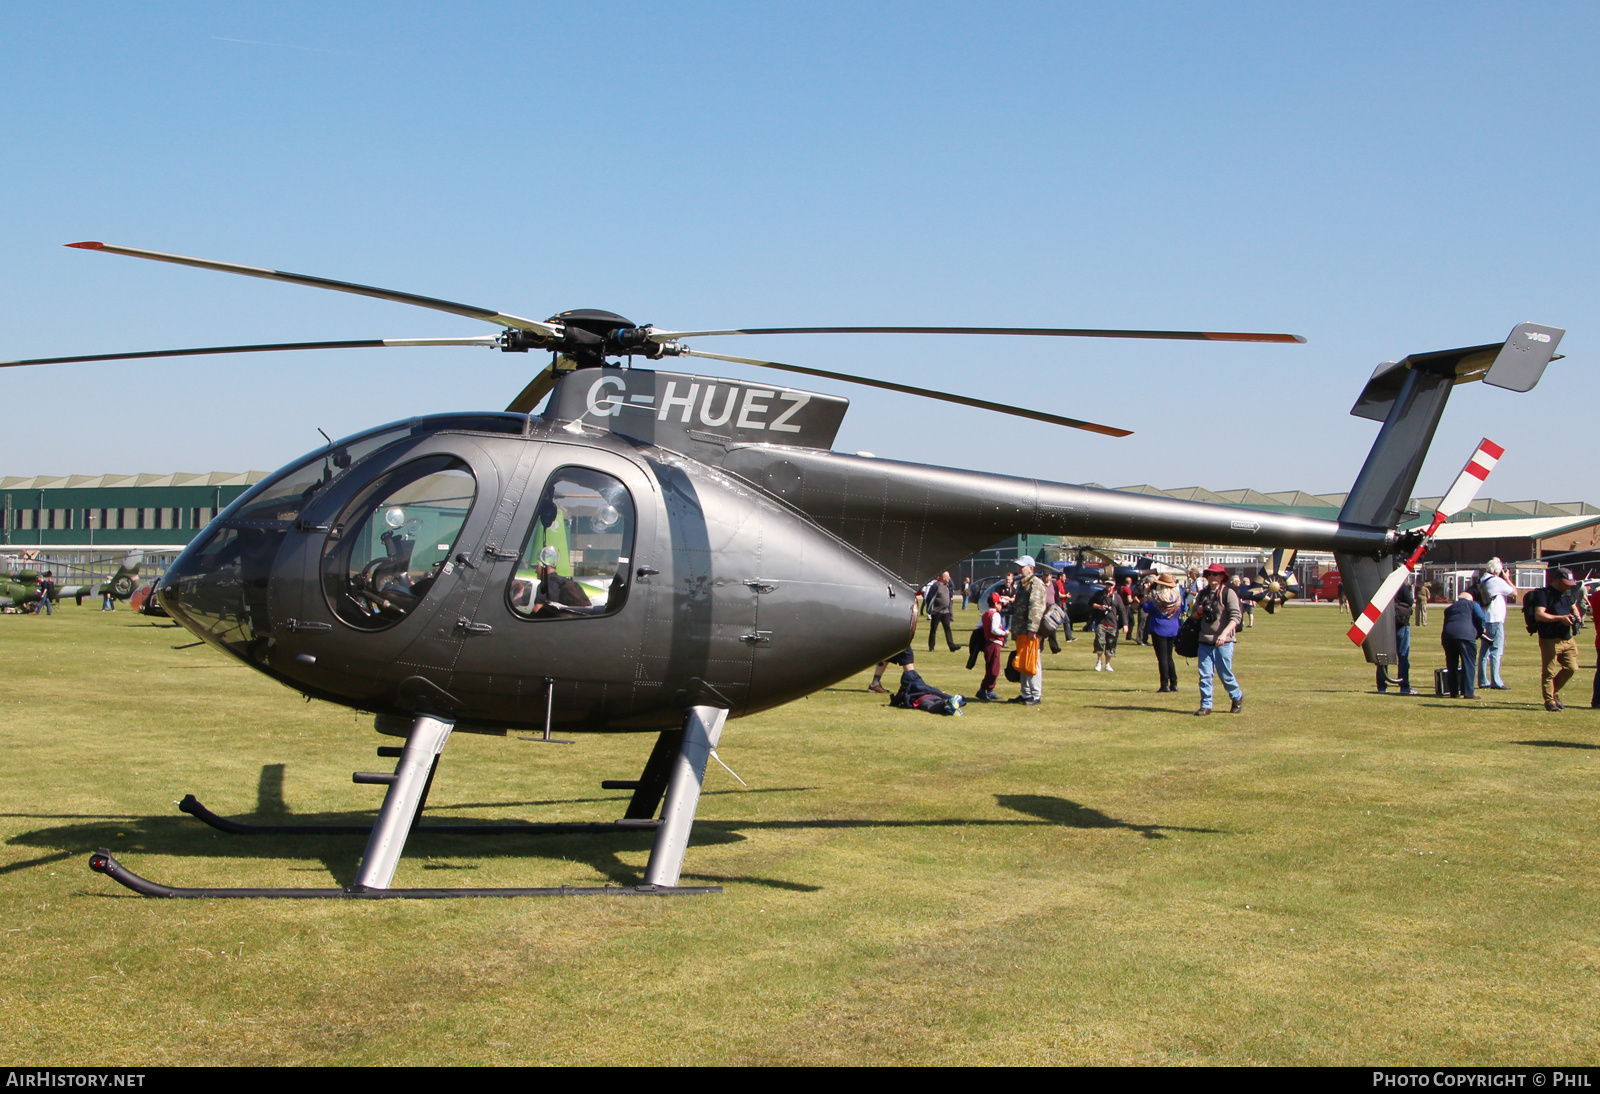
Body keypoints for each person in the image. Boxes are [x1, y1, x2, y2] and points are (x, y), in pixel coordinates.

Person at [1526, 567, 1583, 712]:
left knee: (1571, 668)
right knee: (1549, 672)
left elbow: (1573, 607)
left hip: (1566, 638)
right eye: (1566, 583)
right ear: (1556, 581)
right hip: (1549, 638)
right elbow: (1539, 615)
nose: (1569, 586)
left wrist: (1576, 616)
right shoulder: (1543, 594)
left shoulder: (1567, 594)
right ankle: (1550, 701)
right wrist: (1560, 618)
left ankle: (1552, 691)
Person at [1191, 563, 1243, 715]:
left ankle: (1237, 697)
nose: (1214, 577)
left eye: (1217, 574)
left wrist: (1224, 634)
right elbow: (1193, 616)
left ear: (1222, 577)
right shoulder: (1202, 594)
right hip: (1204, 640)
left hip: (1224, 642)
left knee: (1225, 674)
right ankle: (1206, 705)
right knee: (1205, 675)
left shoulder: (1228, 593)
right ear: (1207, 576)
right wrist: (1199, 611)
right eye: (1211, 574)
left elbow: (1236, 617)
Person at [1007, 555, 1047, 705]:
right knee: (1023, 661)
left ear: (1031, 568)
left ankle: (1035, 695)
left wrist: (1032, 629)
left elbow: (1036, 608)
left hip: (1030, 631)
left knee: (1033, 662)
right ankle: (1026, 694)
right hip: (1021, 631)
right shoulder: (1022, 584)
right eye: (1018, 566)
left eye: (1022, 566)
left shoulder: (1035, 584)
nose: (1019, 568)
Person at [1475, 558, 1516, 691]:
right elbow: (1514, 592)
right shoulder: (1497, 581)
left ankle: (1482, 680)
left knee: (1484, 652)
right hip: (1495, 619)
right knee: (1496, 651)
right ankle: (1496, 681)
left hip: (1483, 619)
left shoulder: (1482, 580)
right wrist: (1507, 578)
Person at [1440, 591, 1487, 698]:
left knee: (1452, 665)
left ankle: (1453, 691)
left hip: (1448, 636)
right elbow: (1481, 618)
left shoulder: (1449, 608)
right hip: (1466, 636)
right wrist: (1480, 631)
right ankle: (1468, 692)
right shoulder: (1473, 604)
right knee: (1468, 664)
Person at [1142, 573, 1183, 692]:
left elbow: (1146, 607)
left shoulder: (1157, 599)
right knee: (1169, 657)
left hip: (1159, 628)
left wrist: (1146, 594)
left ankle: (1164, 684)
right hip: (1173, 628)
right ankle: (1174, 683)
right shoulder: (1177, 598)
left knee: (1162, 658)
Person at [1376, 577, 1417, 696]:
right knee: (1403, 655)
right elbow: (1409, 601)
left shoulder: (1381, 584)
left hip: (1384, 623)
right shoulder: (1400, 584)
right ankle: (1404, 686)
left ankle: (1382, 686)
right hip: (1401, 623)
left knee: (1383, 656)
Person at [975, 591, 1009, 701]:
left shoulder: (986, 614)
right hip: (994, 643)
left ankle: (988, 690)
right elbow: (994, 629)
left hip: (988, 642)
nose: (1001, 605)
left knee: (990, 667)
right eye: (1000, 603)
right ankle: (986, 689)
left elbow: (979, 627)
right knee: (994, 669)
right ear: (995, 604)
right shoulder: (995, 615)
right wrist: (1004, 633)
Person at [1090, 579, 1124, 672]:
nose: (1108, 587)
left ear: (1114, 586)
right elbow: (1090, 603)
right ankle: (1099, 661)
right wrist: (1099, 607)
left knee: (1111, 644)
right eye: (1107, 585)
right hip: (1101, 622)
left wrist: (1125, 624)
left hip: (1112, 624)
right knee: (1099, 641)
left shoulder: (1117, 597)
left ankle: (1108, 664)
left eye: (1110, 585)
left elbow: (1122, 611)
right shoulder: (1099, 594)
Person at [925, 571, 960, 652]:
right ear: (943, 578)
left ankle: (951, 646)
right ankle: (931, 646)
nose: (949, 578)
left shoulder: (946, 585)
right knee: (933, 629)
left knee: (947, 628)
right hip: (937, 611)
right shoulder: (936, 586)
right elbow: (929, 598)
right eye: (948, 577)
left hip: (945, 611)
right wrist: (931, 609)